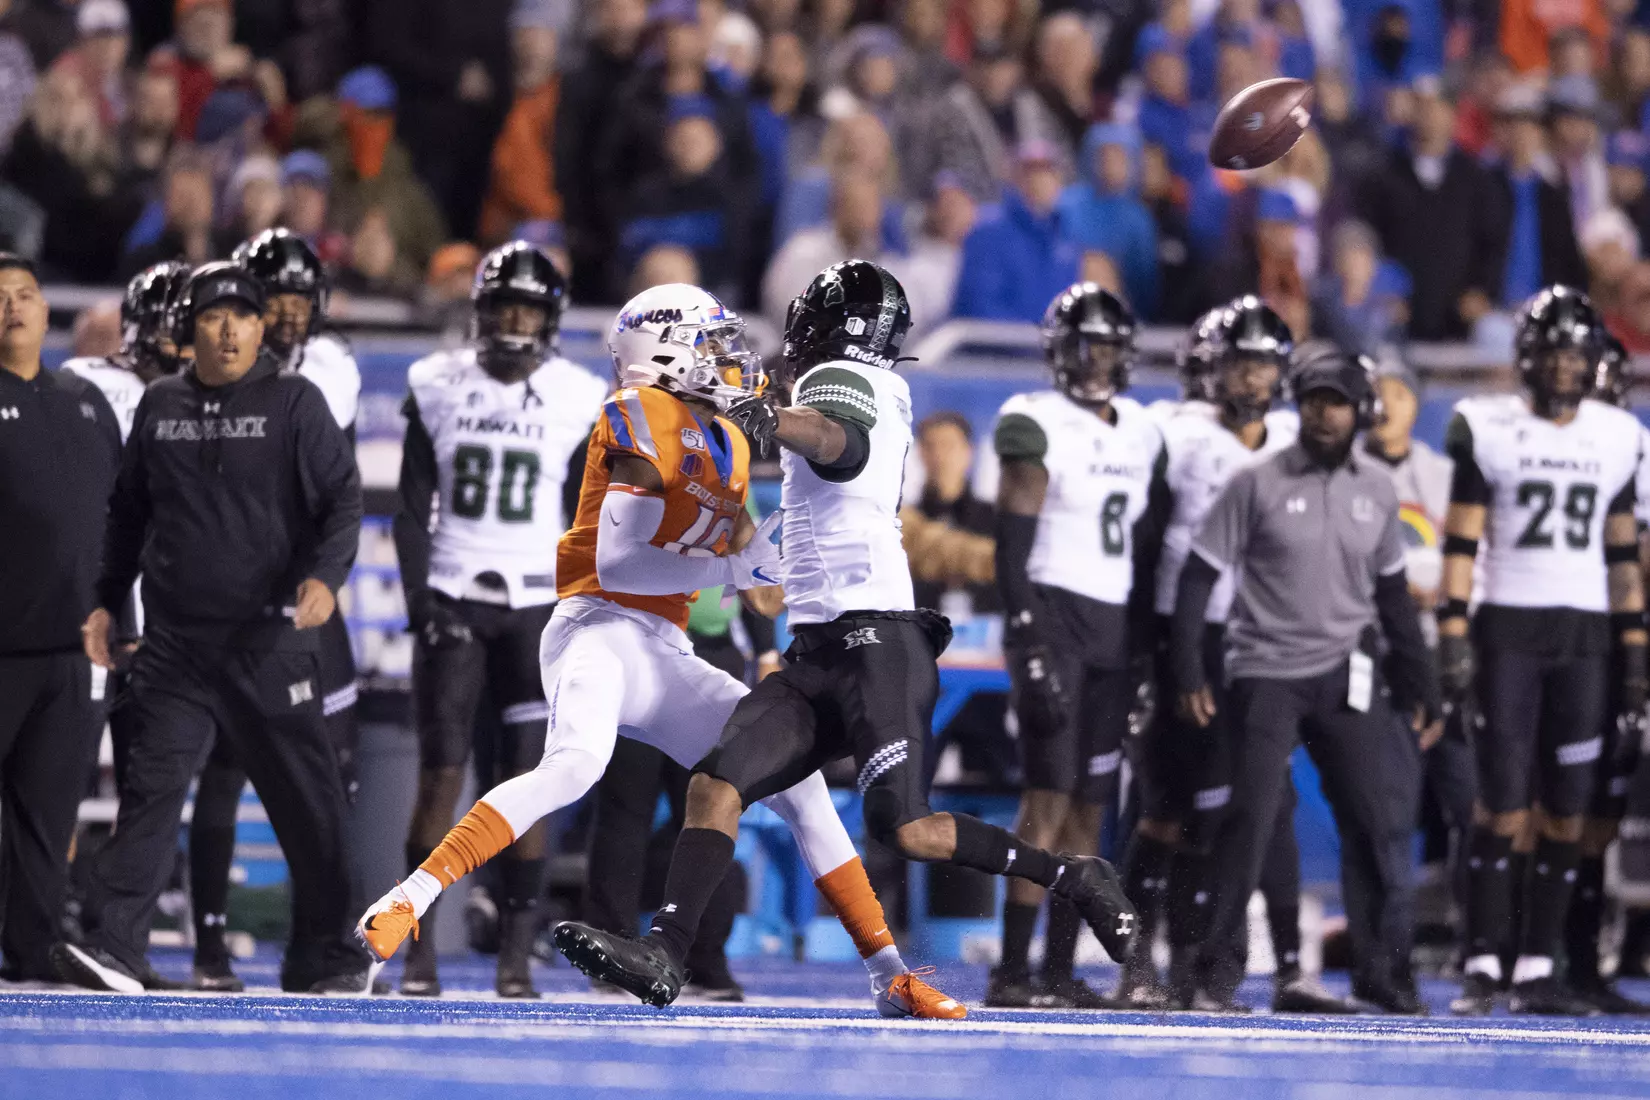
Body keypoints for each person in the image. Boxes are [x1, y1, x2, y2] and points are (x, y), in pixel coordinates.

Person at [356, 279, 965, 1019]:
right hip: (595, 628)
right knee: (574, 766)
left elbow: (757, 578)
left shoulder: (727, 439)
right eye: (711, 343)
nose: (730, 358)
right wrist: (734, 567)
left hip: (662, 644)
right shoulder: (640, 412)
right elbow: (622, 565)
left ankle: (890, 973)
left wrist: (786, 551)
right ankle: (407, 898)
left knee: (798, 784)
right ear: (667, 350)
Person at [548, 261, 1138, 1008]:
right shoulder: (858, 382)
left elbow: (838, 440)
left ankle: (1073, 875)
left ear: (835, 325)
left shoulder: (844, 378)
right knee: (717, 779)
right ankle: (665, 953)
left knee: (908, 827)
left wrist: (763, 411)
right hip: (817, 646)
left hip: (879, 640)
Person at [57, 261, 367, 994]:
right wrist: (106, 598)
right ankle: (118, 947)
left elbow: (342, 502)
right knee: (150, 791)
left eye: (242, 317)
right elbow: (128, 512)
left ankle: (334, 952)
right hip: (176, 646)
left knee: (308, 800)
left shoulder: (297, 401)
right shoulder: (160, 404)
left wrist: (326, 577)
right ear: (187, 327)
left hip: (268, 642)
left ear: (262, 328)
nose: (227, 330)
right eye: (211, 316)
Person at [1172, 346, 1442, 1015]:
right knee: (1250, 819)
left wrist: (1421, 682)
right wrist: (1188, 667)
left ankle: (1384, 974)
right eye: (1315, 401)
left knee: (1376, 821)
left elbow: (1394, 598)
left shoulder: (1378, 488)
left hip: (1346, 670)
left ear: (1359, 413)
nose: (1324, 415)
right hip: (1264, 670)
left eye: (1338, 403)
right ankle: (1215, 976)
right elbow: (1199, 574)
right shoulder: (1255, 482)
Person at [389, 242, 606, 999]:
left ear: (548, 319)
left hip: (534, 609)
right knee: (440, 774)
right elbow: (412, 508)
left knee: (528, 781)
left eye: (528, 308)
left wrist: (578, 610)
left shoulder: (579, 395)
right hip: (453, 592)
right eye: (504, 306)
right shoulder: (438, 383)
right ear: (481, 312)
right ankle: (418, 952)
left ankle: (515, 955)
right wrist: (422, 604)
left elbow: (589, 515)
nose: (515, 320)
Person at [1126, 300, 1354, 1014]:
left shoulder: (1294, 436)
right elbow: (1146, 540)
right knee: (1169, 809)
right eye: (1241, 363)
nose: (1254, 379)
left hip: (1265, 639)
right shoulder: (1177, 433)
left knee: (1260, 805)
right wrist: (1161, 653)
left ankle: (1248, 968)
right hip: (1181, 632)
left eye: (1264, 365)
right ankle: (1137, 963)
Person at [1440, 286, 1647, 1016]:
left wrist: (1633, 649)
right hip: (1508, 629)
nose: (1563, 366)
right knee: (1501, 806)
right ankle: (1482, 959)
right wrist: (1454, 632)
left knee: (1565, 809)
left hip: (1585, 634)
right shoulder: (1488, 427)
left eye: (1573, 354)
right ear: (1528, 358)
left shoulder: (1615, 433)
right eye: (1552, 352)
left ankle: (1534, 965)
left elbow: (1623, 551)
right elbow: (1461, 538)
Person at [174, 229, 363, 992]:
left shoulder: (326, 372)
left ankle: (315, 940)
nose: (285, 314)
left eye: (295, 299)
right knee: (223, 767)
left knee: (323, 776)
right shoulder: (198, 380)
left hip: (308, 595)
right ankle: (211, 944)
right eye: (269, 298)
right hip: (228, 597)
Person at [984, 283, 1167, 1009]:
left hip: (1114, 630)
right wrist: (1025, 631)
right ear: (1060, 351)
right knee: (1046, 799)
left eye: (1109, 348)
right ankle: (1011, 968)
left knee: (1092, 805)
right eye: (1086, 345)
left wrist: (1148, 652)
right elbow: (1011, 542)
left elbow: (1148, 548)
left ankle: (1059, 969)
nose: (1097, 361)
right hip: (1054, 616)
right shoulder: (1034, 419)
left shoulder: (1145, 431)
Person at [0, 255, 122, 984]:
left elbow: (120, 518)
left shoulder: (86, 401)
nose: (12, 306)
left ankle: (32, 945)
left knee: (48, 820)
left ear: (48, 314)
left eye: (25, 295)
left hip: (74, 648)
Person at [1559, 335, 1650, 1015]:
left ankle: (1583, 959)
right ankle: (1515, 958)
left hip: (1620, 642)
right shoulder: (1523, 440)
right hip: (1544, 641)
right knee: (1533, 806)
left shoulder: (1634, 453)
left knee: (1599, 812)